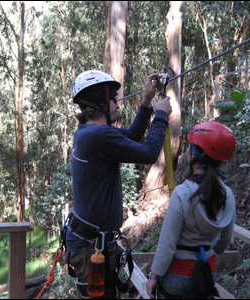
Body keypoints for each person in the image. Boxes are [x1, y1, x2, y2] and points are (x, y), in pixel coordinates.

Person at [64, 70, 172, 299]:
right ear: (101, 102)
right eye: (113, 99)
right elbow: (149, 152)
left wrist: (146, 103)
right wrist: (161, 116)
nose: (117, 104)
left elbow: (132, 135)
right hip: (90, 247)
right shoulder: (97, 136)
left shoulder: (88, 133)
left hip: (91, 243)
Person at [145, 121, 236, 299]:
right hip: (207, 274)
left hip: (178, 274)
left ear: (195, 154)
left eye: (190, 148)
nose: (186, 152)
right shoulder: (228, 195)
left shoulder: (182, 194)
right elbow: (223, 243)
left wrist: (154, 276)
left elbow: (167, 243)